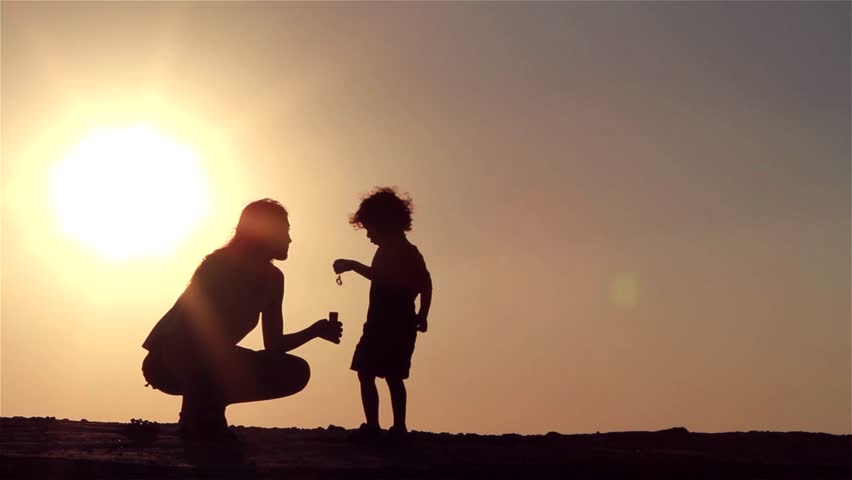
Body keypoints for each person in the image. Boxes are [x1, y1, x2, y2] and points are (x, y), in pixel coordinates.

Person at [141, 198, 343, 440]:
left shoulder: (274, 279)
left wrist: (316, 330)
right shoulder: (218, 265)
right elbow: (185, 334)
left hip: (216, 363)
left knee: (296, 371)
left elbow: (274, 345)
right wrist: (195, 394)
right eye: (286, 231)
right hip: (168, 361)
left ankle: (207, 411)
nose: (289, 239)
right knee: (208, 362)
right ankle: (200, 414)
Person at [333, 187, 432, 441]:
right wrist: (423, 313)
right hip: (383, 323)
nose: (368, 235)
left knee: (389, 375)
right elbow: (426, 283)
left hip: (392, 324)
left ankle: (393, 427)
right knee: (375, 373)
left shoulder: (403, 251)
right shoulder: (400, 251)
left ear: (383, 224)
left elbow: (392, 279)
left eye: (369, 228)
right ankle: (379, 426)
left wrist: (353, 266)